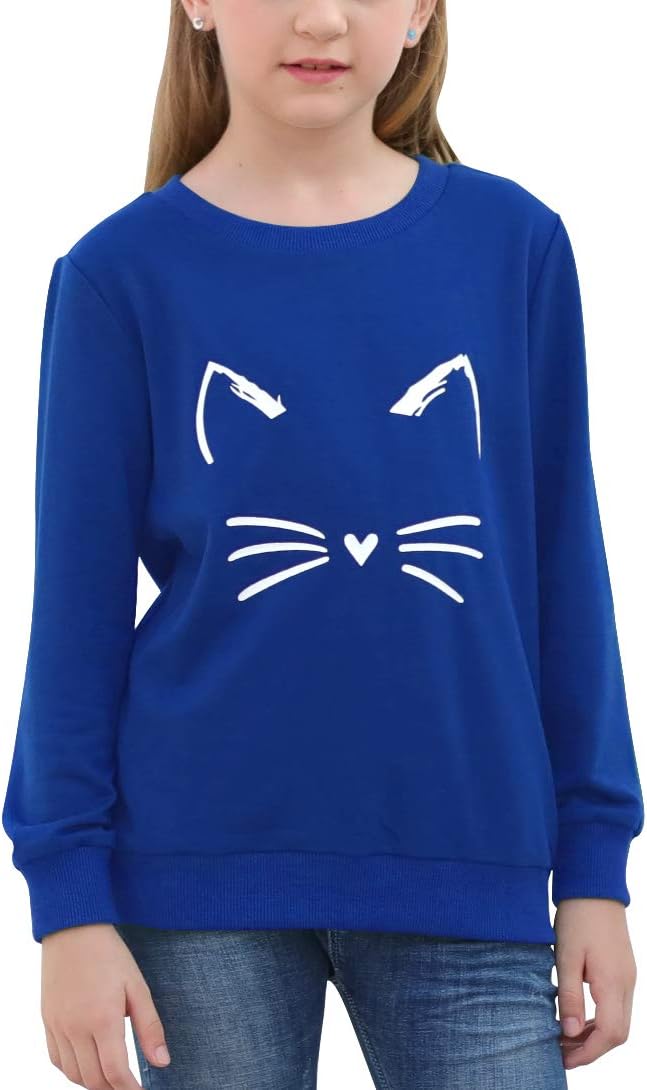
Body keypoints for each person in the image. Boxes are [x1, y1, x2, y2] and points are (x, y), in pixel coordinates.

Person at [2, 1, 643, 1087]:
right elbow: (74, 614)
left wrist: (595, 866)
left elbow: (562, 574)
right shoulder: (120, 273)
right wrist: (67, 904)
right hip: (191, 881)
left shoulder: (512, 246)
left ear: (421, 10)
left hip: (470, 859)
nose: (321, 17)